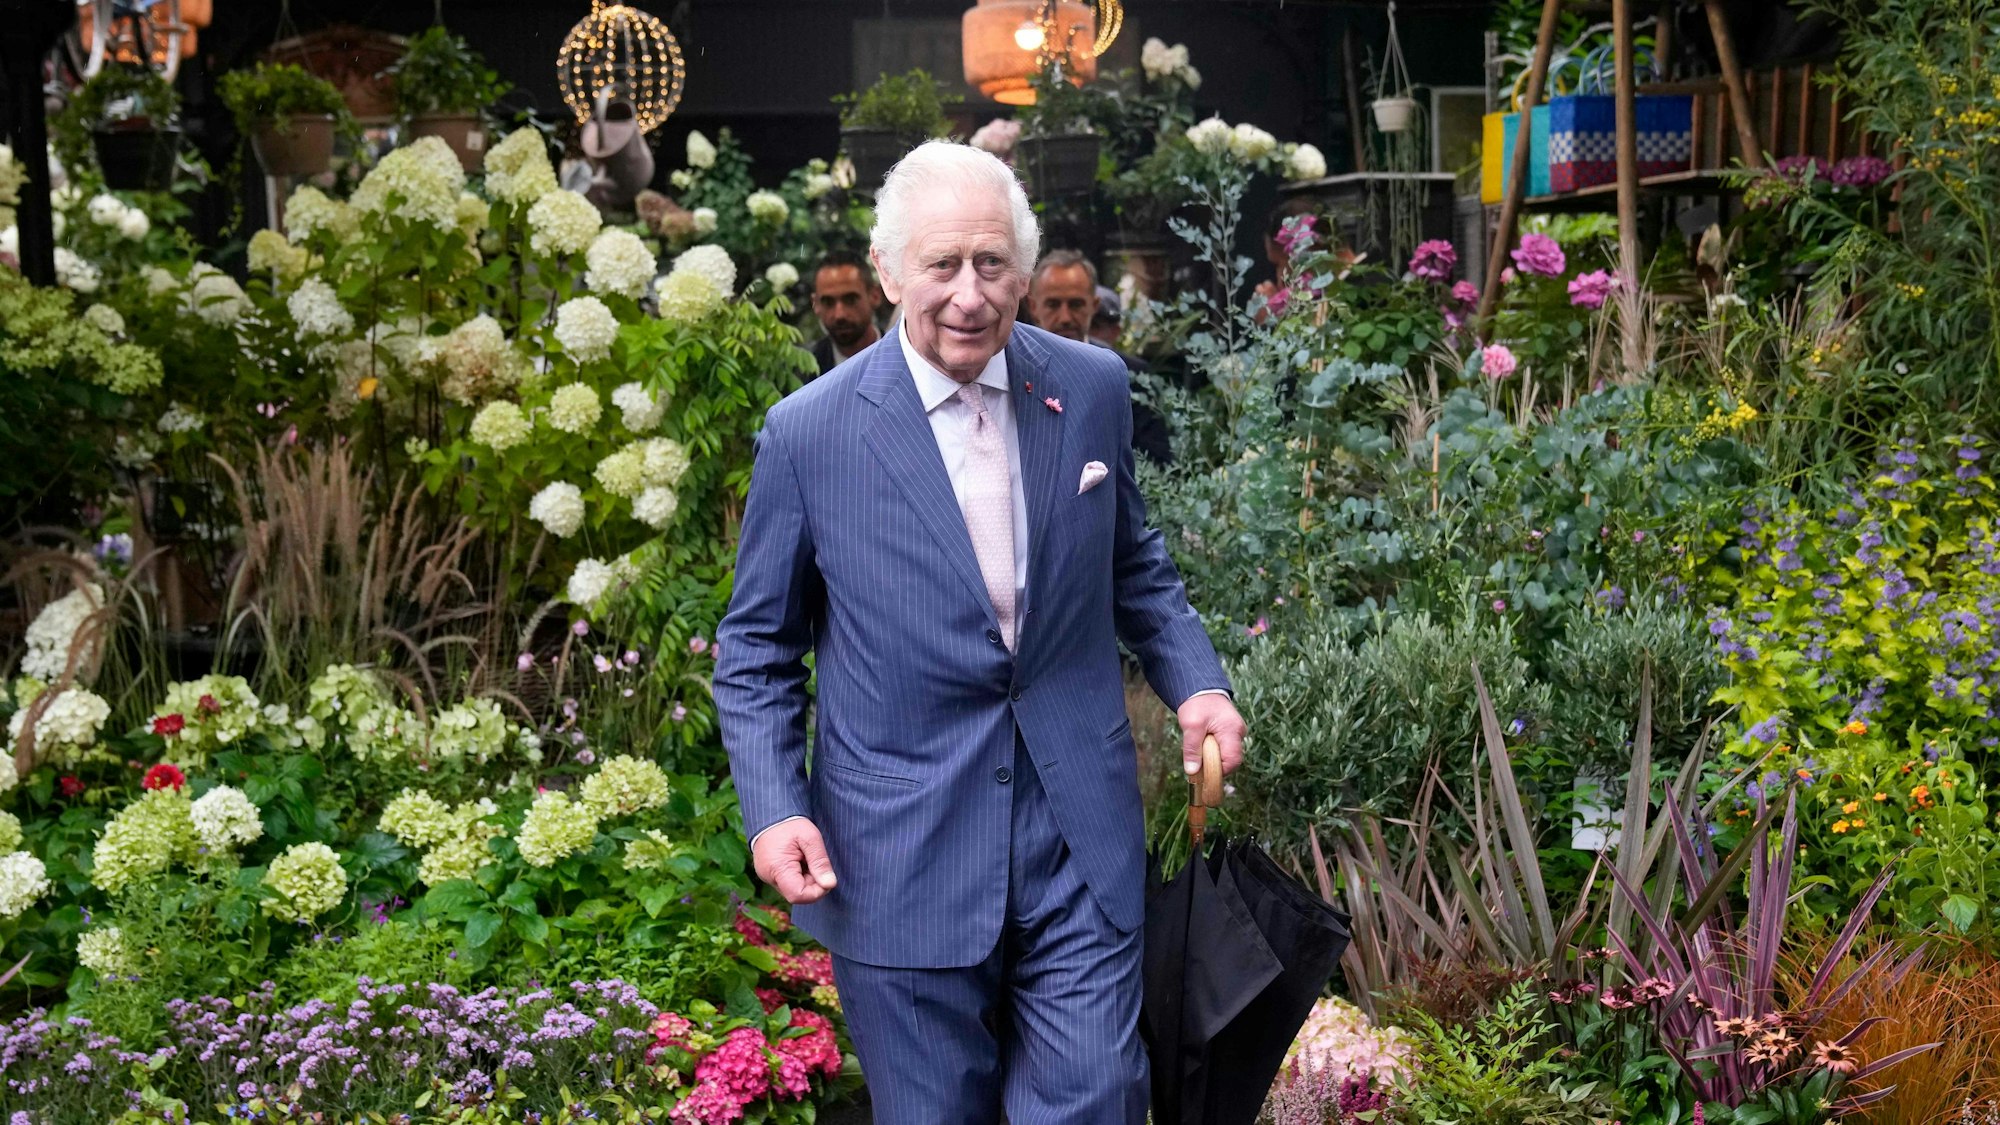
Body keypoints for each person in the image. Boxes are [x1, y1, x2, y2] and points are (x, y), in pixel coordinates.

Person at [715, 141, 1245, 1125]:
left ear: (1026, 271)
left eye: (993, 264)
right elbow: (754, 653)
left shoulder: (1087, 389)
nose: (970, 295)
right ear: (886, 274)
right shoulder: (808, 434)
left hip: (1073, 831)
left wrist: (1197, 685)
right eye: (942, 266)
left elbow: (1135, 569)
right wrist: (774, 807)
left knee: (1093, 1102)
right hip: (894, 851)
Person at [1028, 249, 1172, 465]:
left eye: (1076, 304)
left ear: (1094, 306)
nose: (1065, 317)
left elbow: (1158, 466)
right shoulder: (1013, 369)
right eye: (1053, 305)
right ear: (1033, 307)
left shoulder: (1132, 375)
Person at [805, 249, 884, 377]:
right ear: (815, 304)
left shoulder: (909, 358)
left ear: (875, 296)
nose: (839, 315)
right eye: (828, 302)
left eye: (850, 300)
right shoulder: (801, 373)